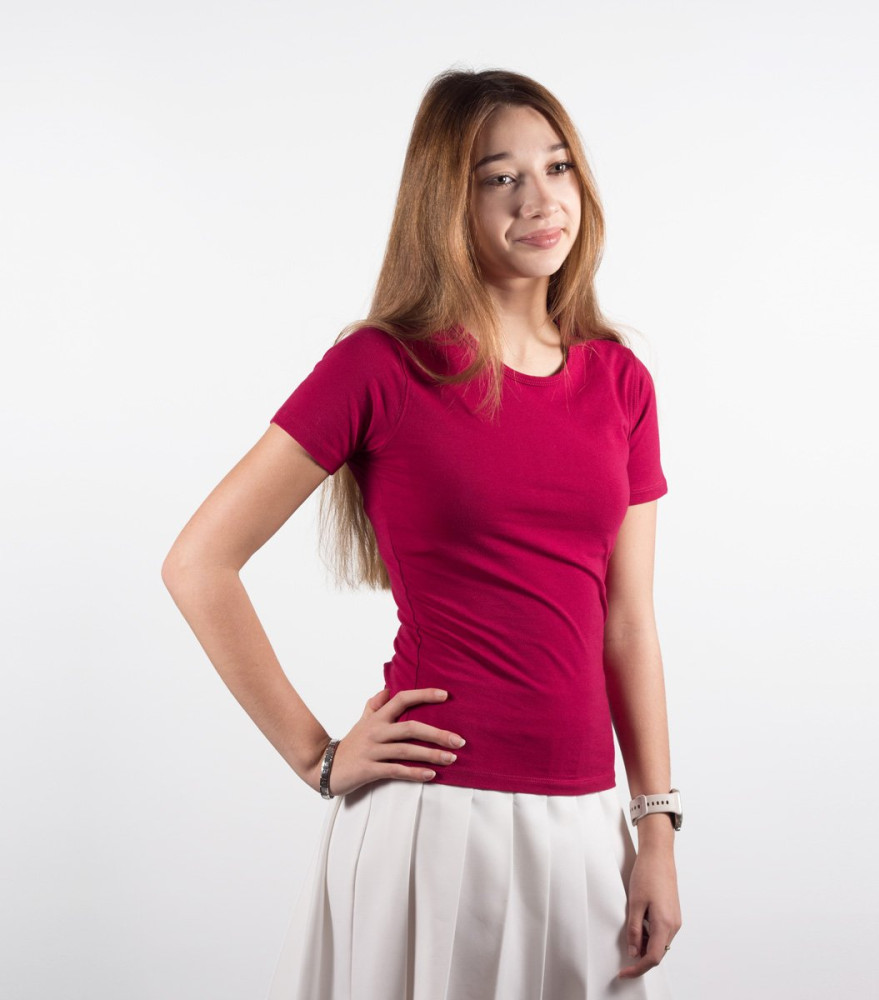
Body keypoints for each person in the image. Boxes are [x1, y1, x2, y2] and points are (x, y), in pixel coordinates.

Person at [162, 67, 682, 999]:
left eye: (557, 166)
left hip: (584, 822)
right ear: (448, 200)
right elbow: (198, 563)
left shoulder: (621, 382)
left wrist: (656, 827)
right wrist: (317, 757)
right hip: (435, 822)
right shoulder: (381, 366)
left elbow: (628, 622)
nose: (540, 200)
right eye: (500, 177)